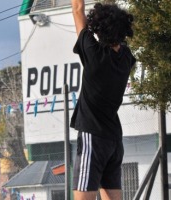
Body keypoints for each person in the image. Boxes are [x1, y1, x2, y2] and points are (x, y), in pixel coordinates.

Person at [70, 1, 136, 200]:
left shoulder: (94, 53)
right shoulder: (126, 59)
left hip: (93, 137)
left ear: (99, 29)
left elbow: (77, 9)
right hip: (114, 140)